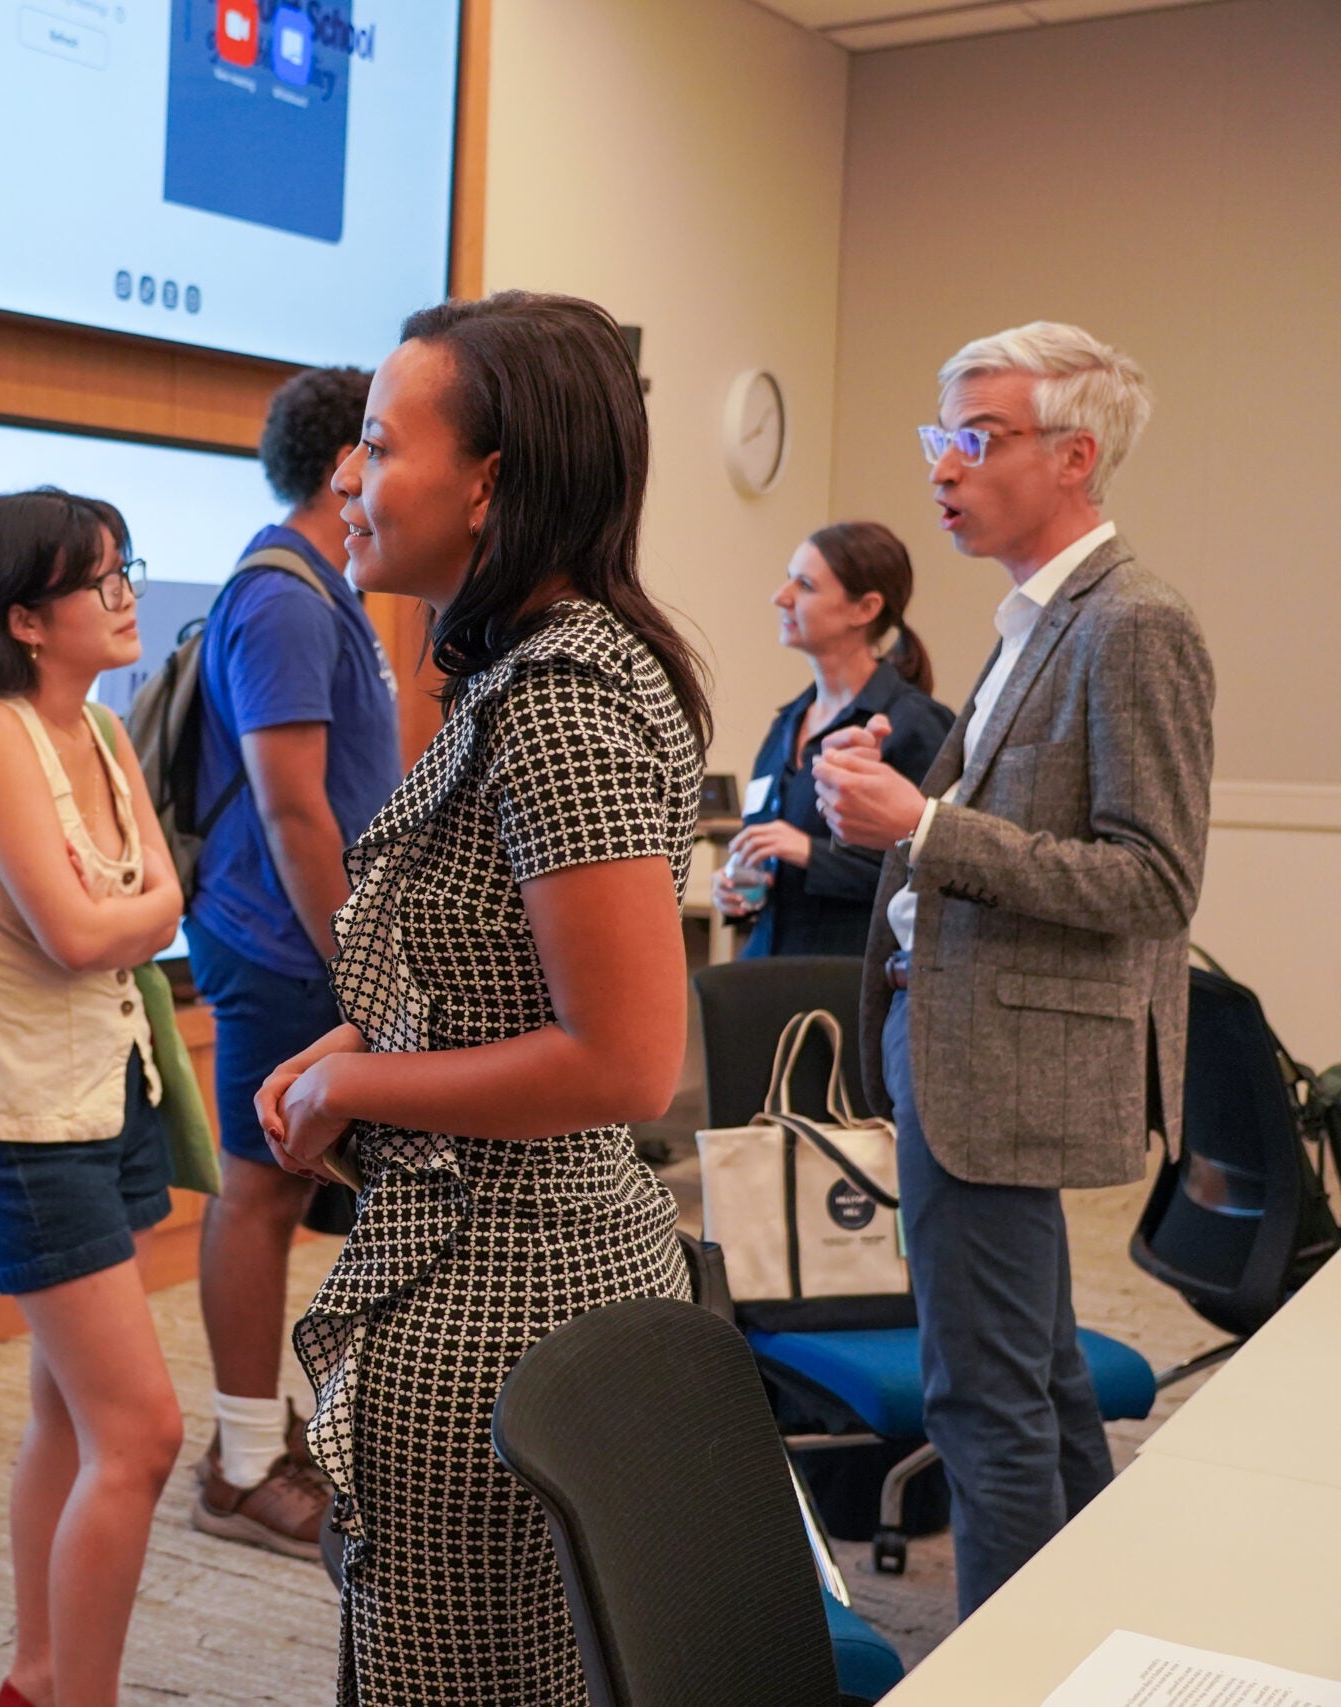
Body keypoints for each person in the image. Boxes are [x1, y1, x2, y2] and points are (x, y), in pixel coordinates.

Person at [260, 293, 705, 1704]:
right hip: (519, 1262)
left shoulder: (557, 700)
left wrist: (351, 1082)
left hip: (514, 1286)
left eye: (383, 444)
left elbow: (626, 1058)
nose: (350, 477)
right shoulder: (529, 668)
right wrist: (356, 1037)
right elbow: (495, 970)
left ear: (491, 480)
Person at [814, 321, 1212, 1615]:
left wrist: (920, 825)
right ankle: (1088, 1641)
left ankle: (1017, 1664)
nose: (944, 466)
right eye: (942, 436)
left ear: (1076, 455)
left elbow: (1152, 881)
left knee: (982, 1399)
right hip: (959, 1042)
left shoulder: (1132, 622)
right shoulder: (1037, 619)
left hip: (1008, 1061)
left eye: (977, 438)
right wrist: (890, 800)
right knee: (1035, 1385)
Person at [0, 489, 188, 1707]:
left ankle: (37, 1676)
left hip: (109, 1094)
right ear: (22, 617)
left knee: (69, 1412)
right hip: (18, 1123)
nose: (127, 597)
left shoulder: (104, 733)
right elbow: (82, 931)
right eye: (100, 581)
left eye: (126, 570)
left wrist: (140, 917)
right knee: (143, 1433)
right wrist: (143, 916)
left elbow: (164, 899)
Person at [185, 365, 400, 1558]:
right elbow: (291, 809)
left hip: (305, 938)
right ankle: (242, 1460)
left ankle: (275, 1434)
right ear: (345, 463)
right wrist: (356, 958)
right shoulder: (281, 596)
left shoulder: (327, 587)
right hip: (281, 943)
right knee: (259, 1192)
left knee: (285, 1193)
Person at [715, 521, 952, 956]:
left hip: (852, 984)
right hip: (767, 976)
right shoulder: (786, 724)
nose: (780, 596)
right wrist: (737, 891)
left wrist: (810, 852)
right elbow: (762, 850)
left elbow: (938, 869)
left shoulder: (914, 724)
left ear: (863, 609)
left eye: (804, 584)